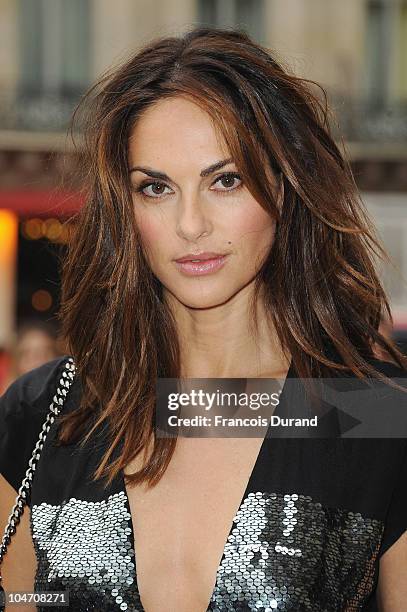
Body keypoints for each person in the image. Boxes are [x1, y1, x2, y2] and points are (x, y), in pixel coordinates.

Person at [0, 26, 406, 612]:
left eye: (226, 180)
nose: (191, 225)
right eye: (157, 187)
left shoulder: (377, 416)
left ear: (284, 189)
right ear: (127, 208)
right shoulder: (44, 413)